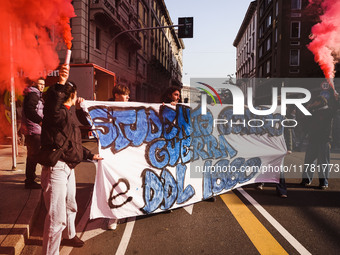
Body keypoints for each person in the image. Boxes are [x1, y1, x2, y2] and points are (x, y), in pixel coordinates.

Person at [40, 64, 102, 254]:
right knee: (56, 217)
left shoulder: (68, 115)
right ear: (72, 94)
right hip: (57, 168)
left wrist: (90, 155)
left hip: (68, 167)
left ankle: (70, 234)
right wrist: (60, 84)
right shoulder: (56, 114)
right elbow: (51, 108)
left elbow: (72, 144)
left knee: (70, 205)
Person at [107, 84, 130, 230]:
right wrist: (79, 108)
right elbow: (87, 120)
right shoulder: (105, 107)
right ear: (116, 95)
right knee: (112, 183)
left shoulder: (132, 108)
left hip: (127, 152)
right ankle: (112, 216)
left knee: (126, 181)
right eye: (125, 94)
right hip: (111, 153)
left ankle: (125, 209)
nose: (128, 97)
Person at [300, 95, 334, 189]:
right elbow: (304, 121)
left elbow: (336, 107)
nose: (312, 104)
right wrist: (308, 109)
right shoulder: (313, 111)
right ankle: (306, 179)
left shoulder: (329, 111)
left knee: (323, 162)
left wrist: (336, 98)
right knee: (309, 161)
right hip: (313, 139)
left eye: (314, 102)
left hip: (324, 140)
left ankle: (323, 182)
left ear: (319, 102)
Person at [21, 77, 45, 189]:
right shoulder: (33, 95)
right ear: (35, 84)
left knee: (33, 156)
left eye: (43, 84)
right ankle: (30, 181)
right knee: (33, 156)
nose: (42, 86)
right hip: (34, 130)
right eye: (40, 84)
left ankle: (31, 178)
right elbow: (29, 110)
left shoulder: (35, 94)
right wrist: (39, 121)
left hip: (33, 130)